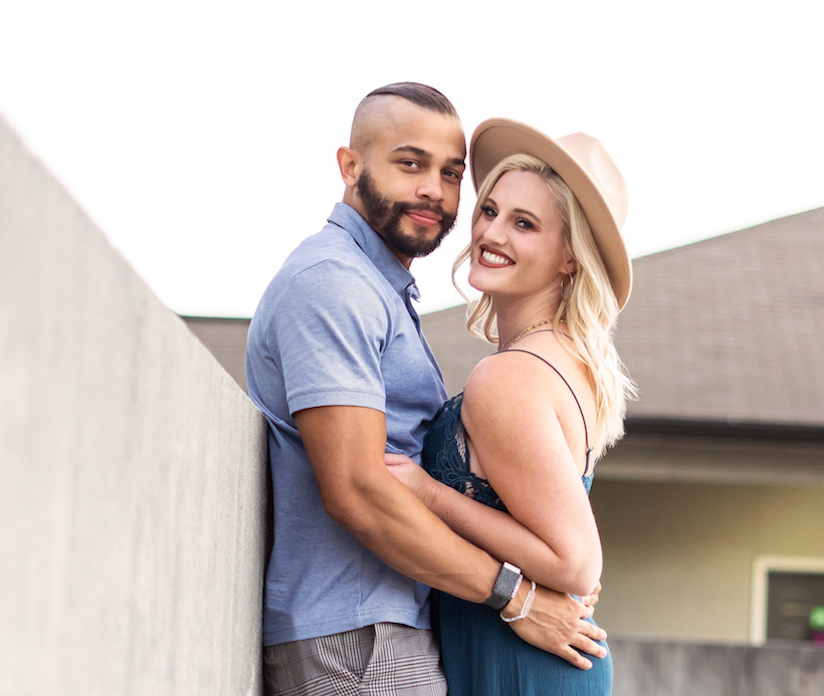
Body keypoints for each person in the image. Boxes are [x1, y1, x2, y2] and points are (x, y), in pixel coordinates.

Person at [245, 85, 607, 696]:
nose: (434, 191)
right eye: (410, 164)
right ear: (350, 165)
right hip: (359, 632)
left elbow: (571, 557)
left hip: (395, 630)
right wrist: (517, 595)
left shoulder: (385, 294)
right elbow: (359, 490)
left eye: (451, 174)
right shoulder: (336, 284)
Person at [385, 118, 636, 695]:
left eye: (524, 224)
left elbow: (575, 564)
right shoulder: (567, 360)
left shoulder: (509, 376)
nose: (492, 233)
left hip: (520, 665)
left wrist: (428, 494)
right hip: (524, 655)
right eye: (490, 210)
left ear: (570, 257)